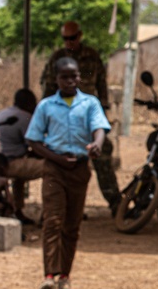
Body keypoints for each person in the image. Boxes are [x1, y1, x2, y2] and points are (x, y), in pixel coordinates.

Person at [26, 57, 110, 289]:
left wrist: (96, 145)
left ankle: (65, 277)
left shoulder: (90, 103)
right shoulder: (46, 106)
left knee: (71, 225)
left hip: (79, 169)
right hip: (54, 168)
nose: (70, 81)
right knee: (52, 221)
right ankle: (49, 277)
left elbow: (99, 128)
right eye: (65, 77)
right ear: (57, 79)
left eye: (74, 76)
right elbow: (33, 139)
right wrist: (55, 158)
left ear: (79, 77)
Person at [41, 20, 120, 212]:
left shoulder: (92, 56)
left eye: (72, 37)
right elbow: (48, 88)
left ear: (80, 35)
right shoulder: (57, 58)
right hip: (63, 116)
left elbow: (101, 84)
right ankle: (64, 207)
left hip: (88, 115)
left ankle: (116, 203)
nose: (69, 42)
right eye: (65, 38)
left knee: (103, 154)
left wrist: (102, 112)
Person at [0, 88, 45, 225]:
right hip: (10, 163)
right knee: (51, 169)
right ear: (29, 103)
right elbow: (35, 146)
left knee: (20, 178)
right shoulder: (25, 117)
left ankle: (18, 210)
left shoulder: (2, 113)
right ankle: (46, 215)